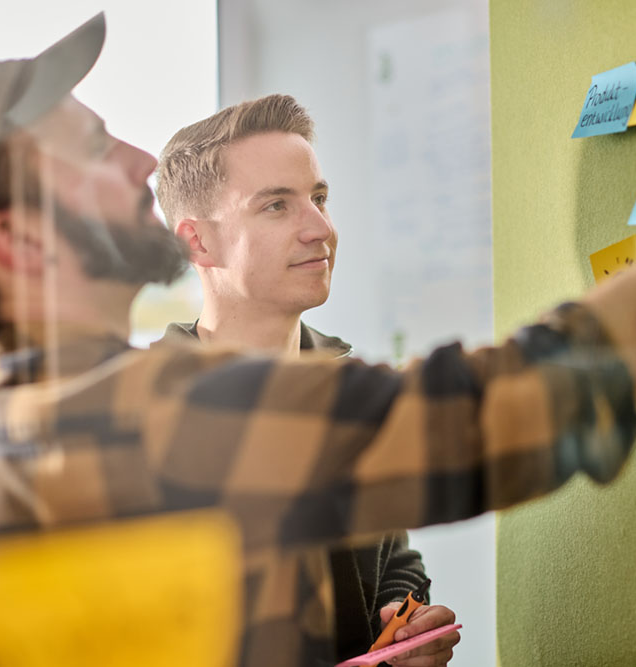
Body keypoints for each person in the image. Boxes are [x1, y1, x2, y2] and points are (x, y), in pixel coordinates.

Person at [0, 13, 636, 667]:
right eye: (95, 150)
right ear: (18, 241)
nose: (142, 165)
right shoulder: (157, 415)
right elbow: (514, 407)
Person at [154, 94, 458, 665]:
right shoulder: (137, 415)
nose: (320, 227)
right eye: (276, 206)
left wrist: (402, 616)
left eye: (319, 198)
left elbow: (393, 561)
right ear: (198, 241)